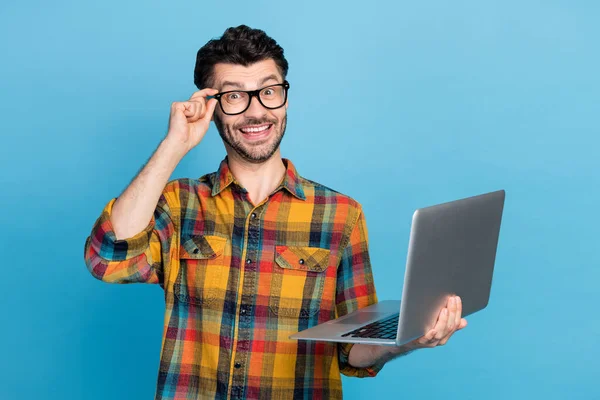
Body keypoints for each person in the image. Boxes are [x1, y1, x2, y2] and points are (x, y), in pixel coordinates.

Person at [84, 25, 467, 400]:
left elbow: (354, 353)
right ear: (212, 107)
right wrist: (174, 145)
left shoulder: (341, 215)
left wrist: (407, 340)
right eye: (235, 97)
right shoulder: (179, 203)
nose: (256, 112)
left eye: (268, 92)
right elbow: (108, 259)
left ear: (285, 97)